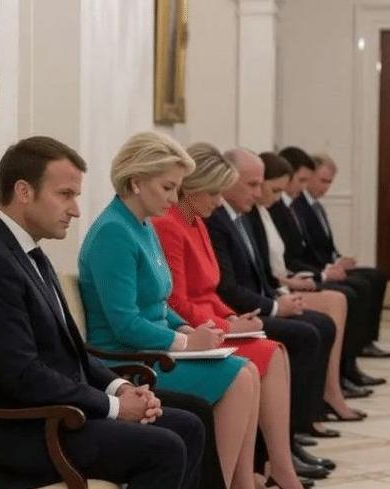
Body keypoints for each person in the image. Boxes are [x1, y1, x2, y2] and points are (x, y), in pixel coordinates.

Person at [0, 136, 204, 489]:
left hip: (60, 415)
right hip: (21, 434)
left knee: (189, 425)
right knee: (165, 447)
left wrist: (121, 388)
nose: (76, 210)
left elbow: (72, 352)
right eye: (65, 194)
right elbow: (22, 376)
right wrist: (113, 407)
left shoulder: (26, 251)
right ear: (24, 192)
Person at [79, 132, 261, 489]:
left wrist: (187, 329)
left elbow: (160, 301)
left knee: (249, 370)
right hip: (126, 360)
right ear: (136, 181)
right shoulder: (113, 232)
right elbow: (125, 323)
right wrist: (186, 343)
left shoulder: (142, 225)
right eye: (167, 187)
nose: (175, 199)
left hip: (155, 350)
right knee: (240, 377)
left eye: (177, 188)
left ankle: (236, 482)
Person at [153, 142, 311, 489]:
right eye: (213, 192)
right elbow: (176, 300)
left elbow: (211, 289)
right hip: (198, 329)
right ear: (192, 189)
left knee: (274, 350)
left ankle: (273, 467)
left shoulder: (197, 221)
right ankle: (255, 476)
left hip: (213, 321)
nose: (218, 200)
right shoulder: (169, 225)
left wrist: (238, 319)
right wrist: (227, 325)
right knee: (262, 358)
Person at [204, 148, 338, 480]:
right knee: (300, 336)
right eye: (252, 184)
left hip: (229, 314)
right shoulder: (211, 220)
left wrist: (276, 298)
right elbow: (221, 289)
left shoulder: (233, 216)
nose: (259, 192)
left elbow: (244, 279)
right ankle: (272, 459)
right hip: (222, 318)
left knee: (312, 328)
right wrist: (247, 315)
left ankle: (286, 447)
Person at [248, 151, 365, 422]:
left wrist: (294, 281)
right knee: (324, 316)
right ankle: (317, 404)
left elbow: (274, 265)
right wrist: (279, 297)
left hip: (279, 286)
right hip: (269, 294)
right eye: (275, 189)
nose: (281, 196)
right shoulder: (252, 215)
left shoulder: (265, 212)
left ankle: (333, 388)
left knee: (339, 300)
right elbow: (263, 271)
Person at [270, 147, 386, 390]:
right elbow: (290, 258)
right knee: (351, 291)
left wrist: (335, 262)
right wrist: (322, 273)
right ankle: (340, 374)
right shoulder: (280, 209)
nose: (302, 187)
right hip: (292, 280)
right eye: (302, 180)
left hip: (299, 275)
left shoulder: (292, 207)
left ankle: (350, 363)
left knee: (370, 279)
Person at [297, 153, 390, 358]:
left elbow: (326, 246)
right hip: (316, 270)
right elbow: (306, 251)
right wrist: (328, 268)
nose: (326, 187)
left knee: (377, 275)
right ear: (309, 176)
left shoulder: (317, 206)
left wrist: (339, 259)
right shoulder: (298, 207)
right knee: (360, 286)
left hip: (329, 265)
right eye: (323, 181)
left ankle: (367, 340)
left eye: (330, 182)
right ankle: (354, 347)